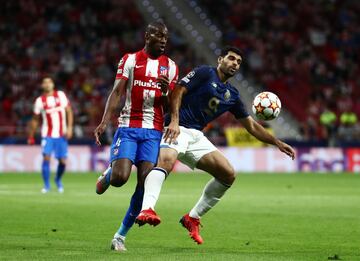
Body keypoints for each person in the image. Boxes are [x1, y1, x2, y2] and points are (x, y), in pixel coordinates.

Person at [134, 46, 296, 244]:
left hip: (196, 136)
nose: (234, 63)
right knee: (166, 162)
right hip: (177, 127)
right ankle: (147, 209)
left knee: (228, 174)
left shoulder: (233, 95)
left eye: (238, 62)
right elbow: (177, 91)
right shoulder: (205, 72)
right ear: (220, 60)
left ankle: (192, 217)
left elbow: (252, 126)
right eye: (231, 58)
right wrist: (174, 120)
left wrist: (277, 142)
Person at [94, 21, 178, 251]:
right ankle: (110, 173)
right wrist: (104, 121)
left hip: (153, 131)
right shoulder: (130, 60)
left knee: (144, 184)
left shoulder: (170, 66)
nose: (163, 40)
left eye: (166, 36)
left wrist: (164, 93)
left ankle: (120, 236)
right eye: (159, 35)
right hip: (129, 126)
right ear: (147, 36)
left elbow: (170, 104)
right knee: (121, 178)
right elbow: (117, 91)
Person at [28, 77, 73, 193]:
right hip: (47, 134)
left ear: (53, 84)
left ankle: (57, 180)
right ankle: (47, 185)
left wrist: (69, 128)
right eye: (45, 82)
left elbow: (69, 111)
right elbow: (35, 119)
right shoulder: (39, 101)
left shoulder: (61, 95)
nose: (47, 84)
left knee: (62, 161)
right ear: (42, 86)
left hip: (61, 134)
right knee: (46, 157)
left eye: (49, 82)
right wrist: (31, 136)